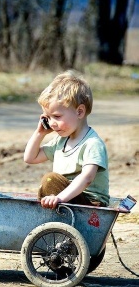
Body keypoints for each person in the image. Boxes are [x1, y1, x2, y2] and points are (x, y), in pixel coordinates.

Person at [24, 70, 109, 209]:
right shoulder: (61, 142)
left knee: (50, 180)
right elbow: (30, 158)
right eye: (48, 117)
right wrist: (40, 133)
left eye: (57, 116)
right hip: (68, 200)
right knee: (47, 185)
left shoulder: (92, 144)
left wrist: (59, 198)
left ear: (79, 112)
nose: (51, 123)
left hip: (90, 204)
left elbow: (87, 178)